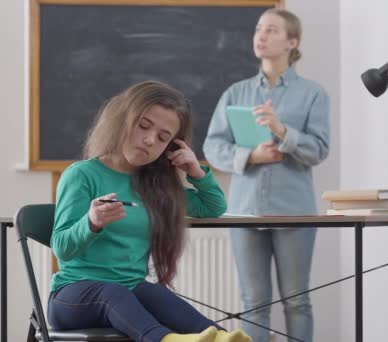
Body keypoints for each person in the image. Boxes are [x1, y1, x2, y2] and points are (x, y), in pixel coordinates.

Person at [48, 80, 252, 342]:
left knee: (154, 293)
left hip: (130, 292)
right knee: (115, 293)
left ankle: (222, 338)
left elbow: (213, 207)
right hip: (73, 296)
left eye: (162, 138)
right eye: (143, 126)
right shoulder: (82, 175)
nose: (148, 140)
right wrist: (91, 222)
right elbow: (61, 247)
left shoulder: (155, 187)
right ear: (123, 119)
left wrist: (195, 171)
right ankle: (166, 340)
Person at [203, 8, 330, 342]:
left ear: (292, 41)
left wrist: (282, 131)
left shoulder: (313, 93)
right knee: (253, 301)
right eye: (259, 28)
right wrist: (251, 156)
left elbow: (319, 149)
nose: (261, 35)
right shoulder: (235, 93)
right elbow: (213, 146)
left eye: (272, 30)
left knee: (297, 300)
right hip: (244, 211)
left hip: (295, 212)